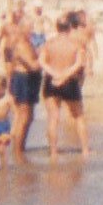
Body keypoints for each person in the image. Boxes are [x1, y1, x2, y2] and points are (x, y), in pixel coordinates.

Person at [40, 14, 90, 162]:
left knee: (53, 118)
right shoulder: (76, 44)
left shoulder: (48, 44)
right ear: (69, 28)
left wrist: (55, 74)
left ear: (57, 28)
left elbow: (42, 62)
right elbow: (79, 63)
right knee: (79, 117)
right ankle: (85, 149)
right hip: (69, 81)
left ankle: (54, 152)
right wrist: (64, 75)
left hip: (52, 80)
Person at [4, 17, 42, 164]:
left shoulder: (27, 42)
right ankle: (18, 151)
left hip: (28, 80)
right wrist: (44, 58)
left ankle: (21, 147)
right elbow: (32, 66)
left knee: (28, 116)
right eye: (29, 28)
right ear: (22, 28)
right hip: (24, 79)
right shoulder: (21, 44)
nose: (32, 30)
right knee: (24, 116)